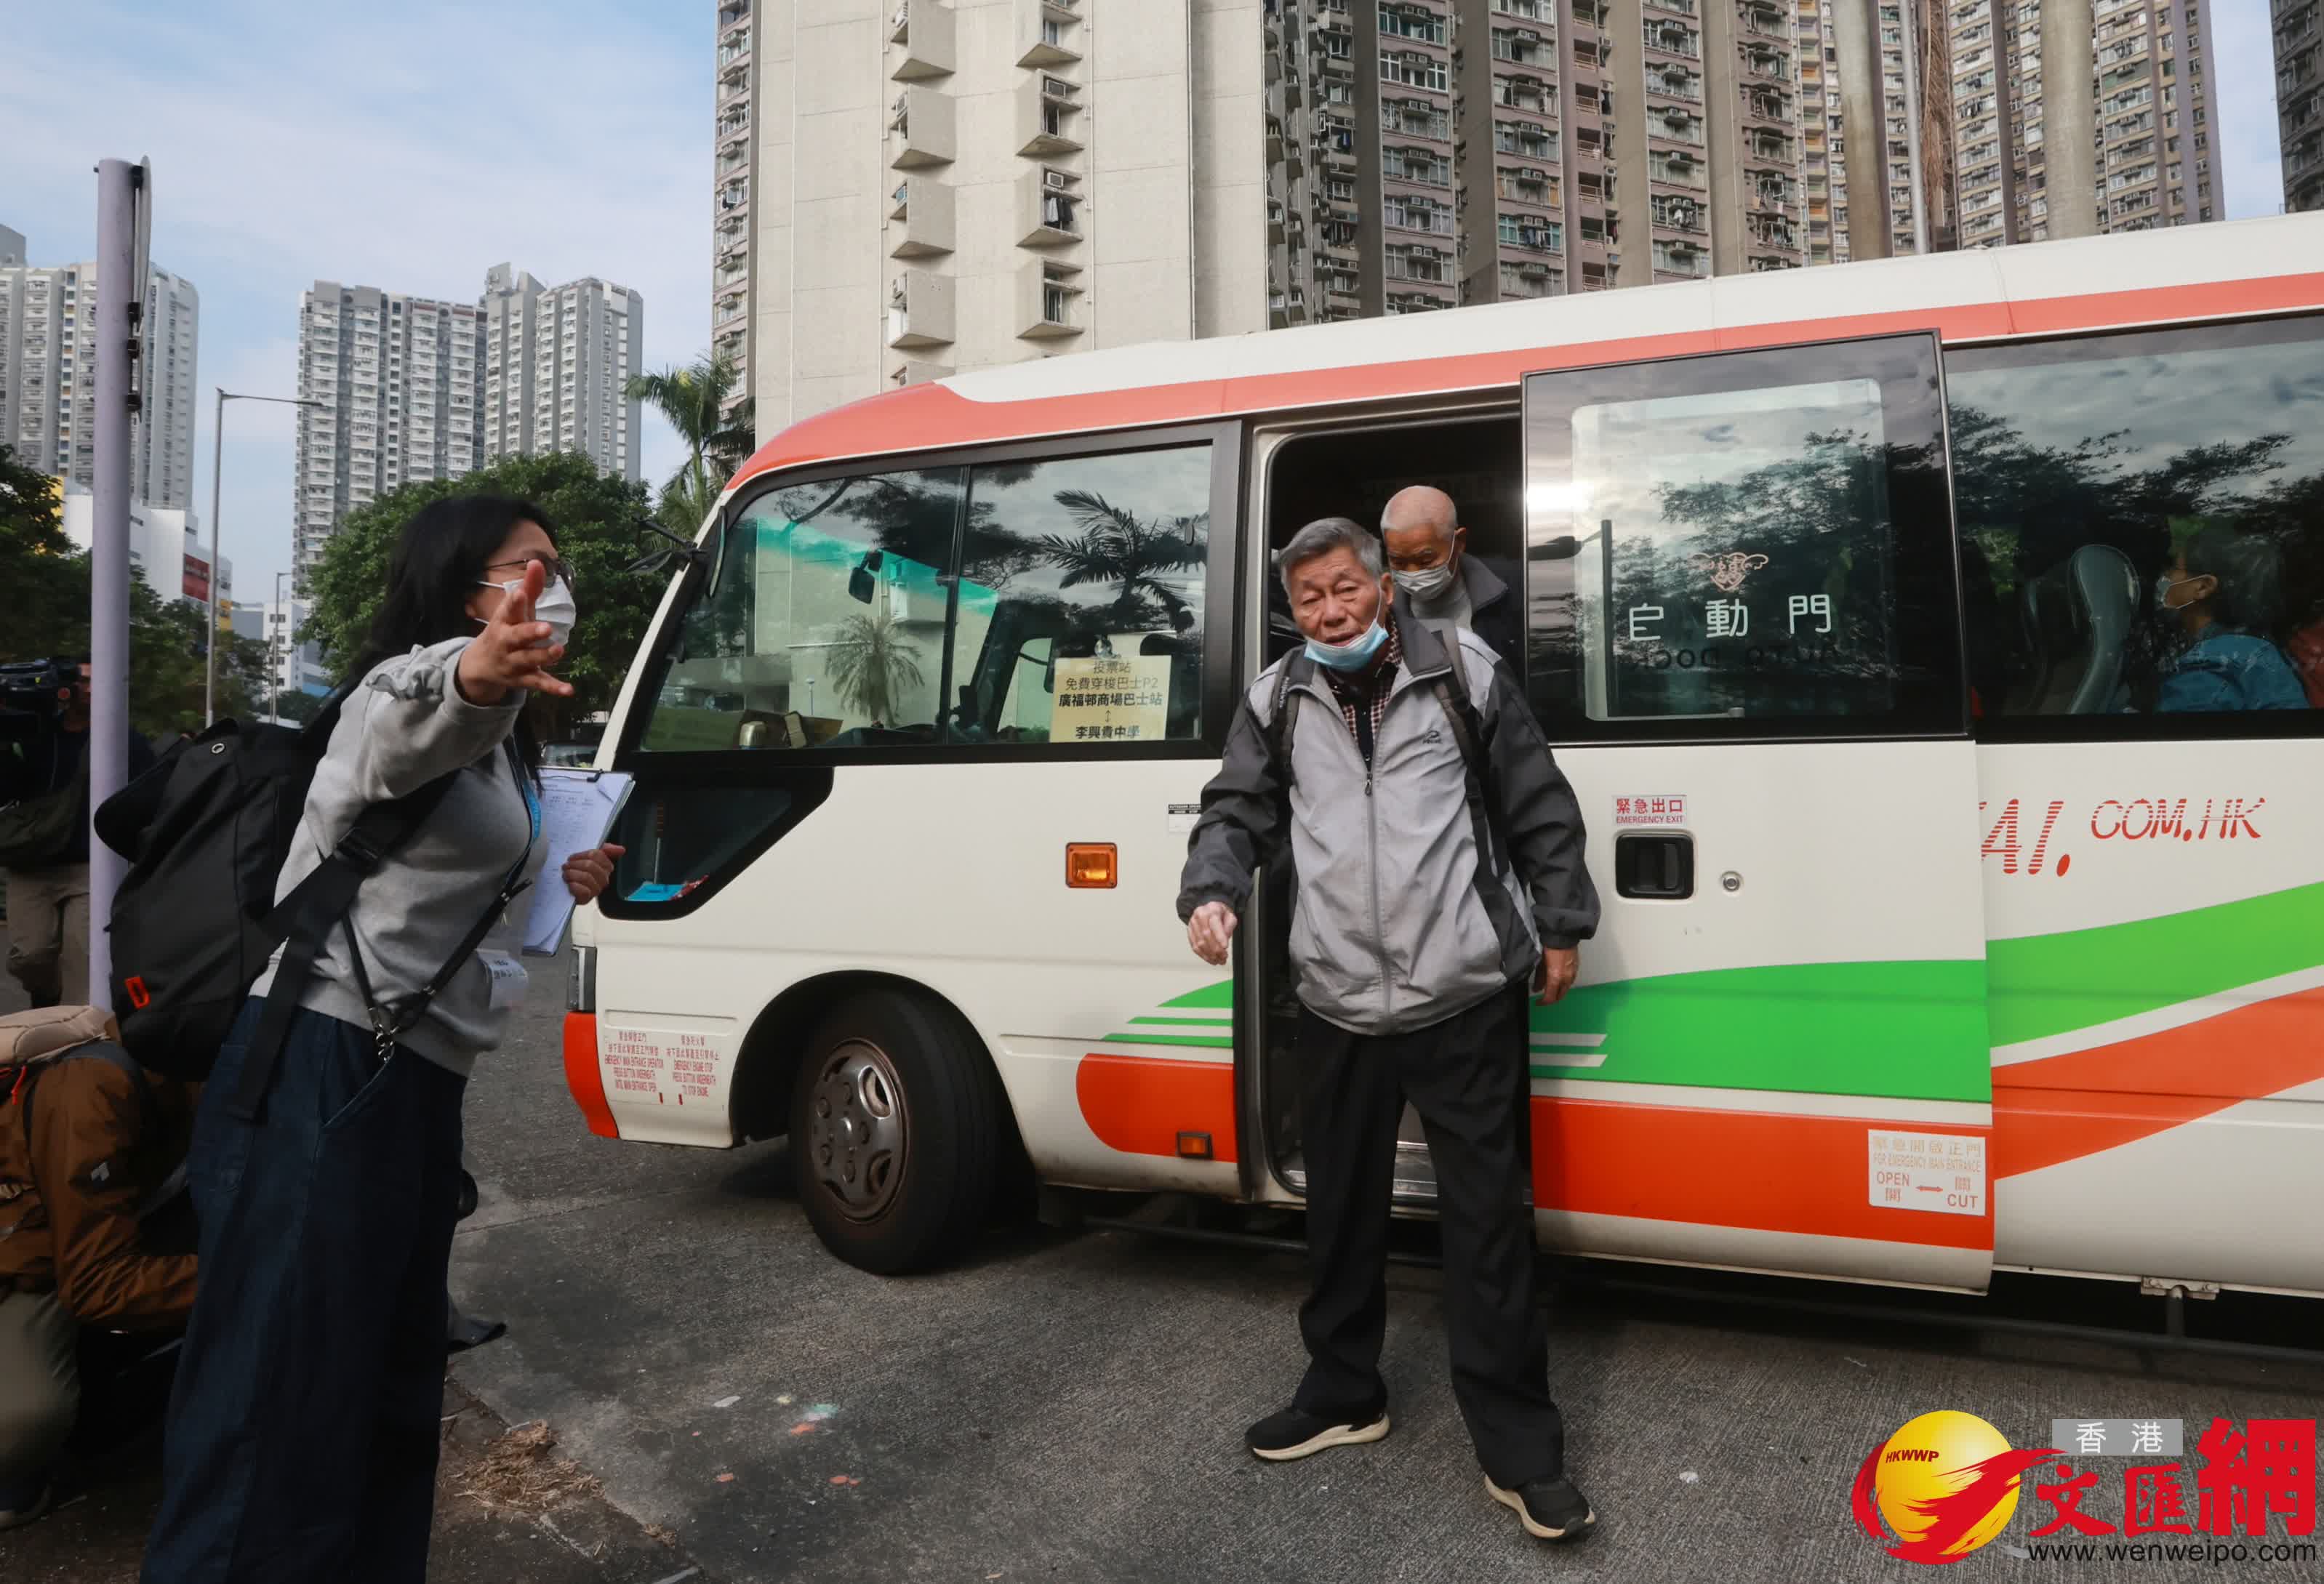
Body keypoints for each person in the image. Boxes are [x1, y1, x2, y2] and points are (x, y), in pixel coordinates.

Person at [141, 496, 623, 1583]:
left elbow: (447, 889)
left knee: (389, 1388)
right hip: (322, 1055)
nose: (555, 582)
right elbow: (417, 713)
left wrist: (557, 872)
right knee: (278, 1395)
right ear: (468, 590)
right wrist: (471, 672)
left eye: (558, 561)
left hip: (415, 1078)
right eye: (529, 565)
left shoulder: (514, 754)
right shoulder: (401, 688)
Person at [1177, 516, 1601, 1543]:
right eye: (1309, 597)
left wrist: (1561, 922)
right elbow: (1236, 808)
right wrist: (1212, 888)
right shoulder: (1278, 698)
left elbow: (1539, 800)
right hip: (1337, 1002)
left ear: (1382, 586)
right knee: (1341, 1211)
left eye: (1343, 588)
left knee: (1488, 1224)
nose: (1329, 610)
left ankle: (1517, 1444)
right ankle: (1342, 1388)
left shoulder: (1462, 670)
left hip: (1461, 993)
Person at [0, 1003, 199, 1532]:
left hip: (56, 1246)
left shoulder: (117, 1082)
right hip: (33, 1260)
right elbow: (96, 1286)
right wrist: (248, 1276)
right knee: (24, 1421)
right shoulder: (93, 1096)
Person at [0, 660, 156, 1008]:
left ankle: (71, 1049)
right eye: (82, 680)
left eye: (97, 681)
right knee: (30, 957)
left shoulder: (123, 739)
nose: (89, 689)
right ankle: (46, 996)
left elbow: (152, 789)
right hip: (30, 864)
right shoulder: (35, 733)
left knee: (83, 961)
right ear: (63, 686)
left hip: (91, 867)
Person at [2152, 528, 2308, 713]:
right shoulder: (2256, 650)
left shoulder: (2211, 666)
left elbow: (2172, 738)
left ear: (2203, 586)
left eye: (2174, 567)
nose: (2165, 576)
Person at [1378, 485, 1521, 668]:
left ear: (1459, 543)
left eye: (1425, 560)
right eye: (1398, 561)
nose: (1413, 573)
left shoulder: (1513, 590)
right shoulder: (1383, 613)